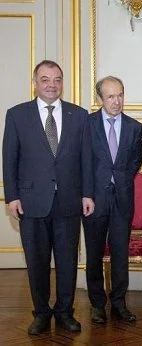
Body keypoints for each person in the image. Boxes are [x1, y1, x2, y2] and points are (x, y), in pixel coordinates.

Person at [2, 60, 94, 335]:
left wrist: (87, 193)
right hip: (31, 202)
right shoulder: (17, 115)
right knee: (37, 262)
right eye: (45, 79)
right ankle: (41, 313)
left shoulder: (79, 115)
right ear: (35, 83)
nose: (51, 84)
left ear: (62, 83)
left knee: (67, 261)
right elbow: (10, 159)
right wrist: (12, 197)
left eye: (56, 79)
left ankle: (65, 312)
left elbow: (86, 159)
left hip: (69, 201)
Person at [84, 76, 142, 324]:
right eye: (110, 96)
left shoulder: (133, 127)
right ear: (100, 99)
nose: (117, 101)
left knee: (120, 254)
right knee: (94, 253)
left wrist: (120, 180)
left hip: (122, 199)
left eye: (120, 95)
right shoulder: (87, 124)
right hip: (94, 200)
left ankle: (119, 303)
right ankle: (97, 305)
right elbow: (82, 162)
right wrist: (87, 193)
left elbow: (135, 162)